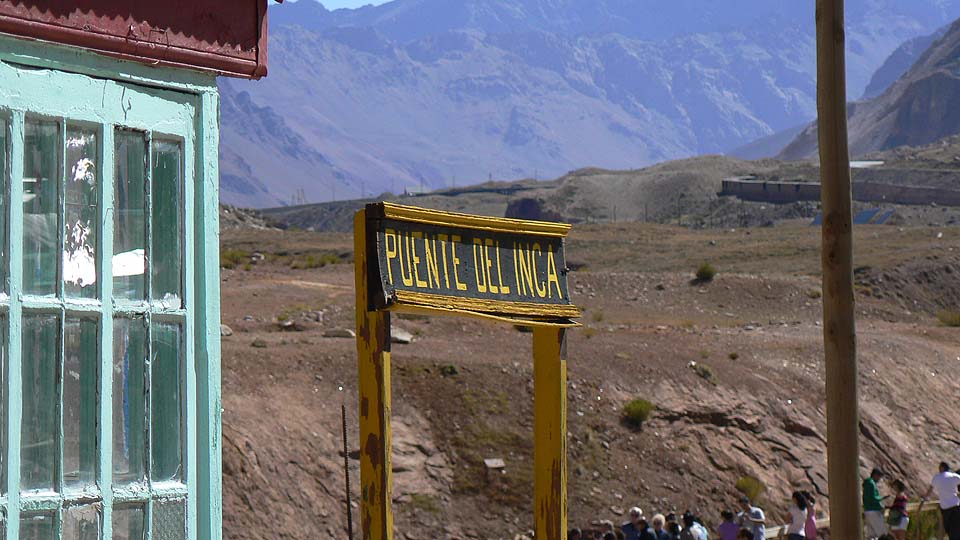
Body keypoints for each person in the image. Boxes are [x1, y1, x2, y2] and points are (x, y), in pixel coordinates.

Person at [923, 462, 960, 540]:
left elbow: (930, 489)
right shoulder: (954, 476)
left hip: (945, 507)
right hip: (956, 505)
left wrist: (925, 499)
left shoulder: (937, 477)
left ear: (942, 468)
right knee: (956, 528)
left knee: (947, 528)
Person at [863, 467, 888, 540]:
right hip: (874, 511)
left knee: (872, 535)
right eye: (879, 477)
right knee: (882, 534)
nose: (879, 479)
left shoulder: (868, 483)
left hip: (868, 510)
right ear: (876, 475)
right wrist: (882, 498)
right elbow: (873, 498)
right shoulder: (871, 483)